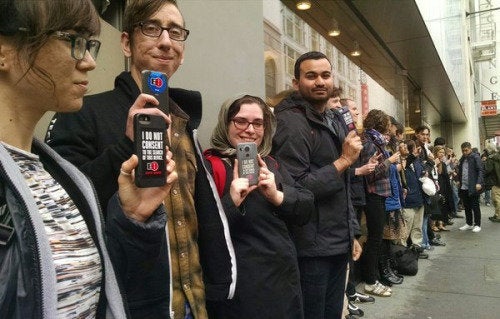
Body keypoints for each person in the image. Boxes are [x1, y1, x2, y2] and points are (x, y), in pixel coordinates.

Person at [44, 1, 232, 318]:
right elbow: (61, 209)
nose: (165, 41)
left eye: (175, 32)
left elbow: (197, 215)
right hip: (131, 304)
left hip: (194, 302)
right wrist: (126, 144)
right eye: (151, 28)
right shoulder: (83, 113)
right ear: (126, 42)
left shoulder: (185, 122)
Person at [0, 0, 178, 317]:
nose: (89, 62)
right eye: (73, 41)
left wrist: (133, 220)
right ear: (4, 51)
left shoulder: (64, 177)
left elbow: (101, 288)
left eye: (90, 45)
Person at [203, 95, 314, 318]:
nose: (250, 130)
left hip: (284, 283)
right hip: (243, 292)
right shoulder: (210, 165)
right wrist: (232, 201)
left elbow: (306, 207)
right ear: (226, 123)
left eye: (258, 123)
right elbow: (203, 231)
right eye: (240, 121)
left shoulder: (269, 163)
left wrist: (276, 195)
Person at [272, 51, 363, 319]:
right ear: (296, 83)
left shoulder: (332, 118)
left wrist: (352, 233)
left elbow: (343, 186)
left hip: (337, 242)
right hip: (310, 248)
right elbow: (296, 189)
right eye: (310, 76)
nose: (320, 82)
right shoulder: (290, 122)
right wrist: (344, 160)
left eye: (325, 75)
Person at [358, 109, 400, 297]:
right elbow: (371, 173)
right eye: (389, 125)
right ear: (382, 124)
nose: (391, 129)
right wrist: (390, 161)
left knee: (376, 238)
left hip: (379, 195)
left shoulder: (376, 141)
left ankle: (372, 279)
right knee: (374, 239)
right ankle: (370, 281)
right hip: (373, 195)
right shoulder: (370, 143)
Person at [457, 142, 484, 232]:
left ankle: (477, 224)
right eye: (463, 150)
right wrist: (458, 180)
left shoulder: (475, 157)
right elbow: (460, 170)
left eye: (466, 150)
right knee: (467, 206)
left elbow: (480, 170)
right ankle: (469, 223)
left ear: (470, 149)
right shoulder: (462, 158)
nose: (464, 152)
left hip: (473, 186)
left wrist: (479, 182)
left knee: (475, 206)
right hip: (464, 186)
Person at [485, 147, 500, 222]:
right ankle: (497, 214)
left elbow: (488, 170)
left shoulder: (493, 158)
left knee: (496, 200)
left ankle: (498, 216)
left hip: (497, 183)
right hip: (497, 182)